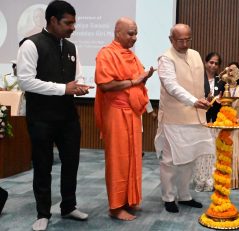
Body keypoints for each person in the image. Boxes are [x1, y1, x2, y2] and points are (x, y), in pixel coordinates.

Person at [16, 1, 91, 230]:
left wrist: (80, 86)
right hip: (41, 118)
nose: (73, 27)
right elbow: (26, 81)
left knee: (71, 163)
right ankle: (42, 213)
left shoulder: (71, 47)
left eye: (74, 23)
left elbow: (77, 77)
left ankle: (68, 206)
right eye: (68, 23)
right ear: (52, 21)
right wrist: (63, 89)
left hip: (68, 116)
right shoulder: (31, 45)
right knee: (42, 165)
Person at [94, 17, 154, 221]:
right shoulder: (106, 54)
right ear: (117, 32)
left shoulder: (130, 55)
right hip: (116, 113)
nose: (134, 38)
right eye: (131, 33)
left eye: (136, 33)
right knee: (118, 159)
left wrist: (143, 78)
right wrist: (133, 81)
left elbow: (135, 82)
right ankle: (116, 206)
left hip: (133, 114)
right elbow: (105, 85)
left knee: (133, 158)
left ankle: (129, 200)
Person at [155, 23, 214, 213]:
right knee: (171, 160)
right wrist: (193, 100)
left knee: (190, 157)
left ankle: (184, 195)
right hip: (175, 117)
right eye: (181, 40)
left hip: (197, 116)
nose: (185, 43)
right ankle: (169, 197)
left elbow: (201, 82)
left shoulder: (196, 54)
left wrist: (207, 98)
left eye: (188, 39)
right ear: (171, 39)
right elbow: (171, 86)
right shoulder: (166, 58)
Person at [193, 52, 224, 192]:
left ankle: (211, 180)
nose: (213, 65)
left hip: (215, 121)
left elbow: (223, 101)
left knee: (213, 151)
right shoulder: (198, 79)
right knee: (201, 151)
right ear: (205, 63)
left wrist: (220, 100)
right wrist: (207, 97)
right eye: (211, 62)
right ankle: (200, 180)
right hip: (201, 120)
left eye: (216, 63)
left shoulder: (221, 82)